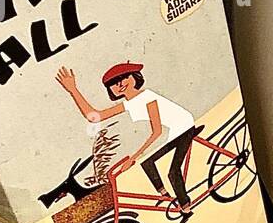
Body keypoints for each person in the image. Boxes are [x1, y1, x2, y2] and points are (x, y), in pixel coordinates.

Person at [55, 63, 197, 208]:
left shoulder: (147, 97)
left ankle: (185, 206)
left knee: (173, 172)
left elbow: (157, 131)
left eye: (123, 78)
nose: (120, 84)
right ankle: (165, 195)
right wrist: (73, 90)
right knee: (147, 163)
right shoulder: (130, 104)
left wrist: (132, 158)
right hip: (172, 131)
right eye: (113, 83)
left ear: (135, 77)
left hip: (183, 128)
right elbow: (95, 117)